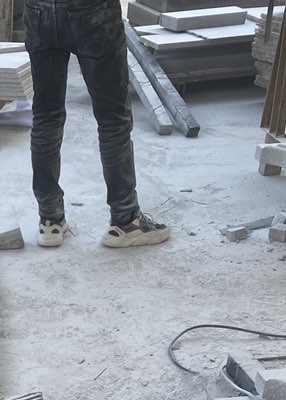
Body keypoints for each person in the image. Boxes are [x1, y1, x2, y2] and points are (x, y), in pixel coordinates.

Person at [24, 0, 169, 249]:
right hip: (92, 11)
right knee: (113, 118)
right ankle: (126, 220)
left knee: (46, 115)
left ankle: (50, 220)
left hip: (39, 9)